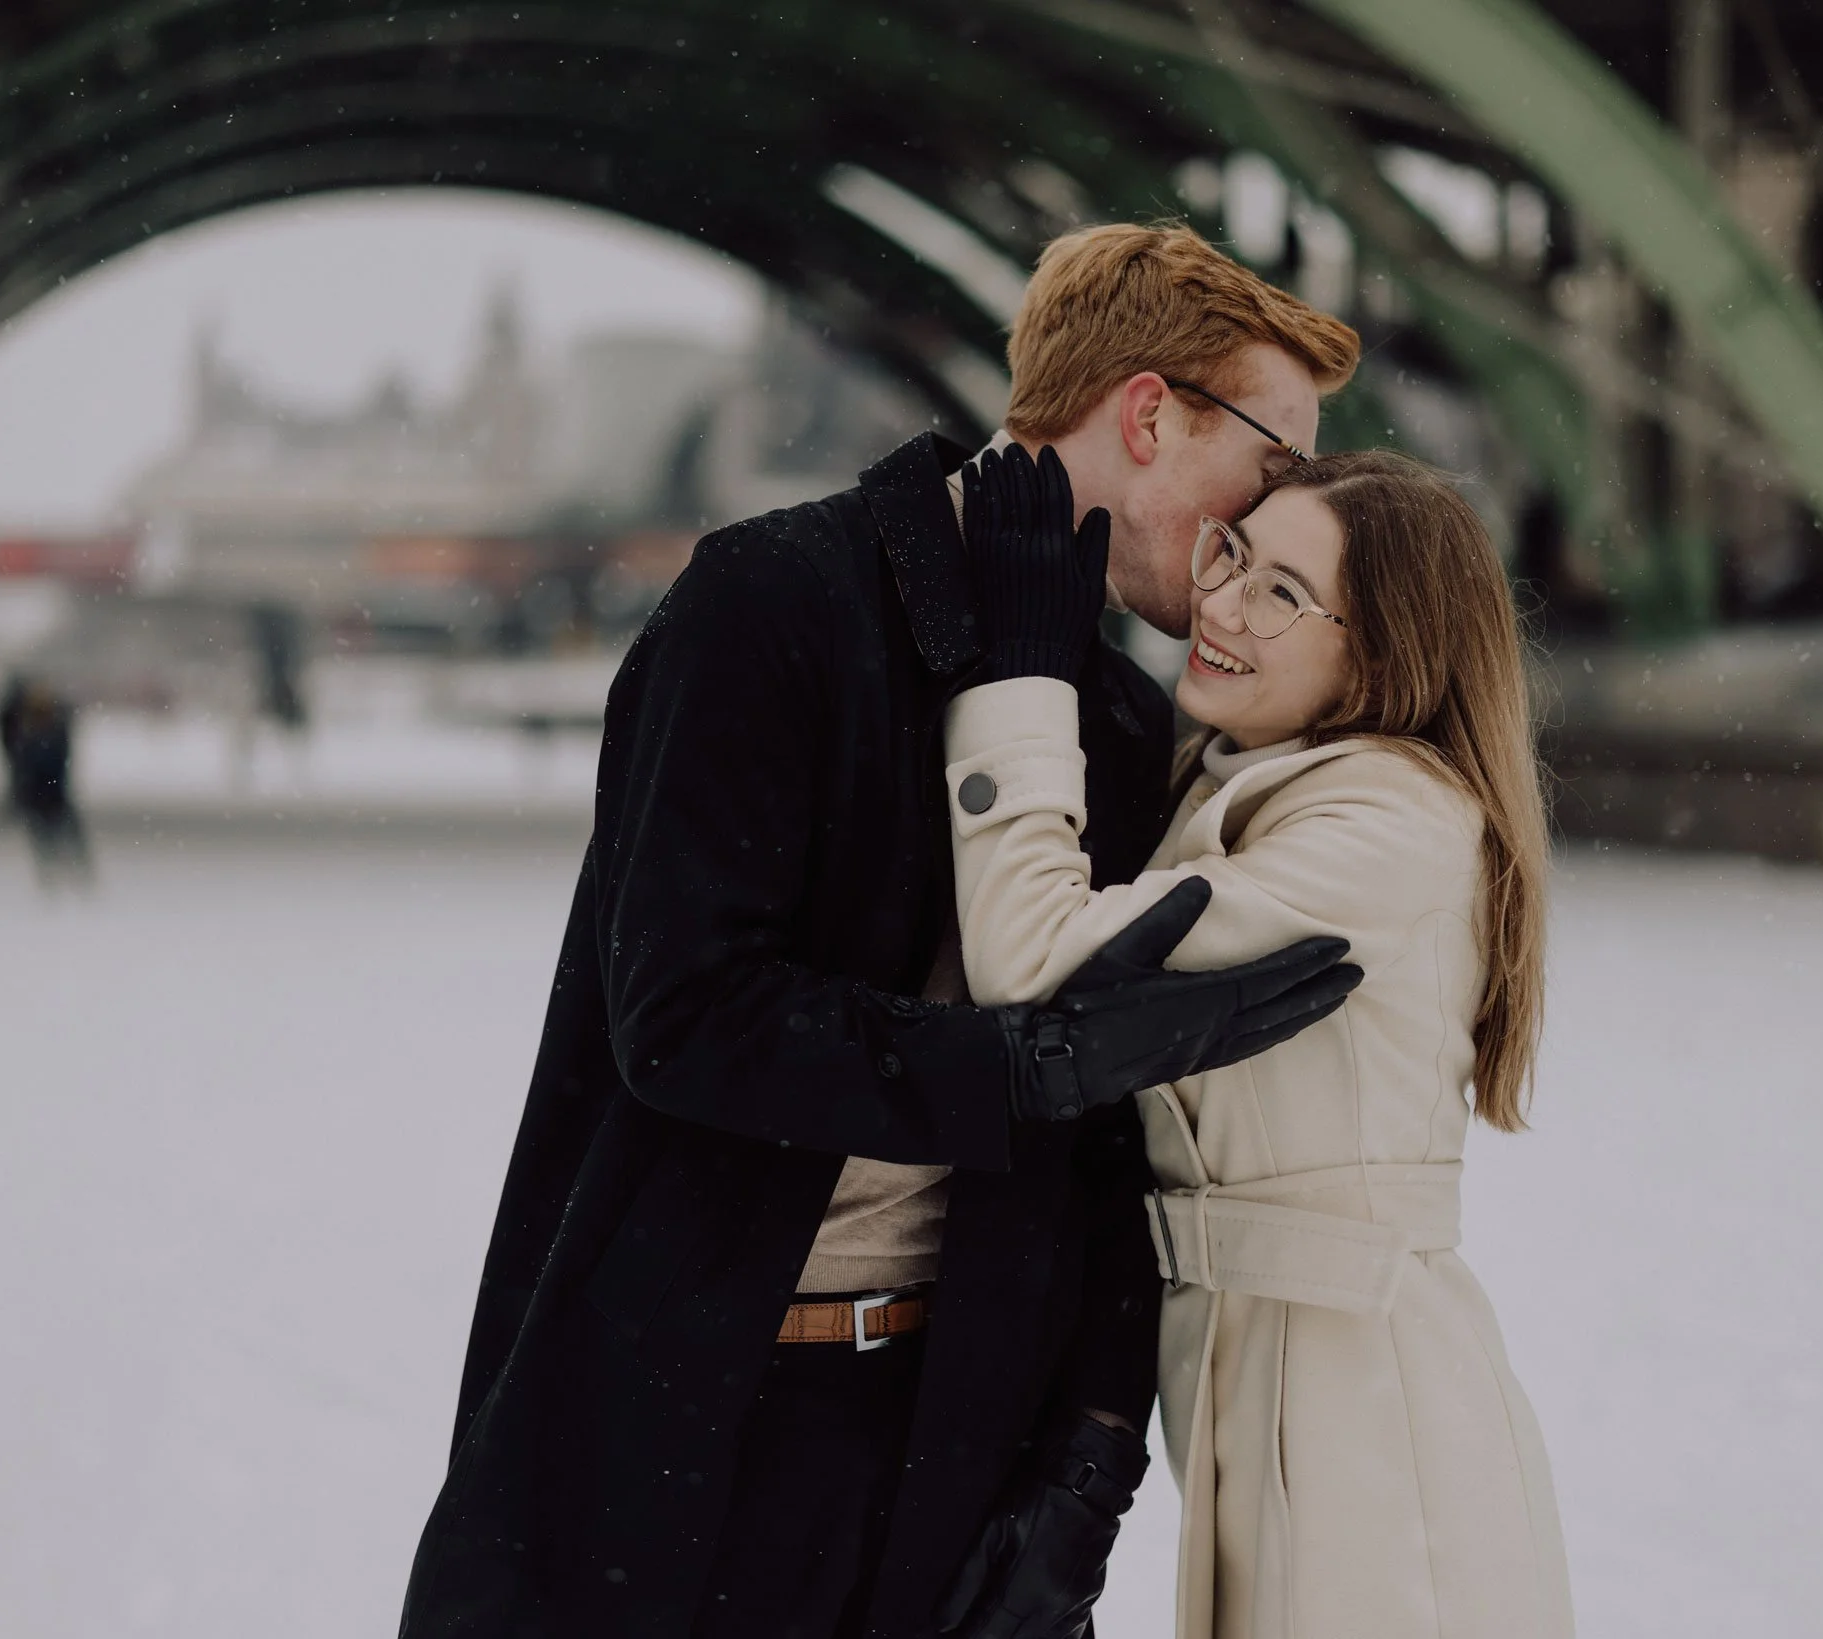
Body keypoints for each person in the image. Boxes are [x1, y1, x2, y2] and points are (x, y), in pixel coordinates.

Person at [396, 224, 1366, 1639]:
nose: (1282, 517)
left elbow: (1118, 1155)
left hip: (947, 1458)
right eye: (1274, 467)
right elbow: (683, 1012)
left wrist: (1084, 1477)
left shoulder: (1115, 718)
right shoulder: (769, 607)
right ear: (1152, 414)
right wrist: (1012, 1064)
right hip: (675, 1441)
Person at [945, 444, 1573, 1638]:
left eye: (1281, 592)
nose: (1219, 603)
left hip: (1369, 1415)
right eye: (1232, 554)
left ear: (1381, 653)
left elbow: (1028, 960)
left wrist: (1025, 679)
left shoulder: (1387, 825)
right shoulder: (1260, 786)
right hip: (1281, 1380)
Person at [0, 673, 90, 885]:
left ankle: (67, 872)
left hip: (47, 791)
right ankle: (62, 872)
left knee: (56, 835)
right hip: (44, 791)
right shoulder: (35, 733)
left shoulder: (39, 733)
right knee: (52, 835)